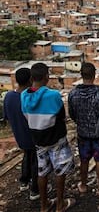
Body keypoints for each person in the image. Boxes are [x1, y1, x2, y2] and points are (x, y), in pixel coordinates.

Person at [21, 62, 76, 212]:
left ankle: (44, 205)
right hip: (56, 138)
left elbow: (27, 117)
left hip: (38, 140)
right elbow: (61, 116)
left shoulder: (24, 96)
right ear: (47, 77)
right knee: (60, 170)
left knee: (42, 172)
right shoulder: (53, 95)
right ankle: (60, 204)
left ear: (32, 78)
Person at [68, 62, 99, 197]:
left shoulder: (73, 94)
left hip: (83, 134)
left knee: (84, 160)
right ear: (94, 75)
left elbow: (72, 114)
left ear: (81, 75)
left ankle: (83, 185)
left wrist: (81, 123)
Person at [3, 67, 39, 200]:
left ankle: (24, 181)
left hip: (20, 136)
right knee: (36, 161)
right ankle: (35, 190)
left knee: (27, 155)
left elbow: (6, 117)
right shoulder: (30, 98)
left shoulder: (9, 97)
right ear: (31, 79)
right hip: (33, 137)